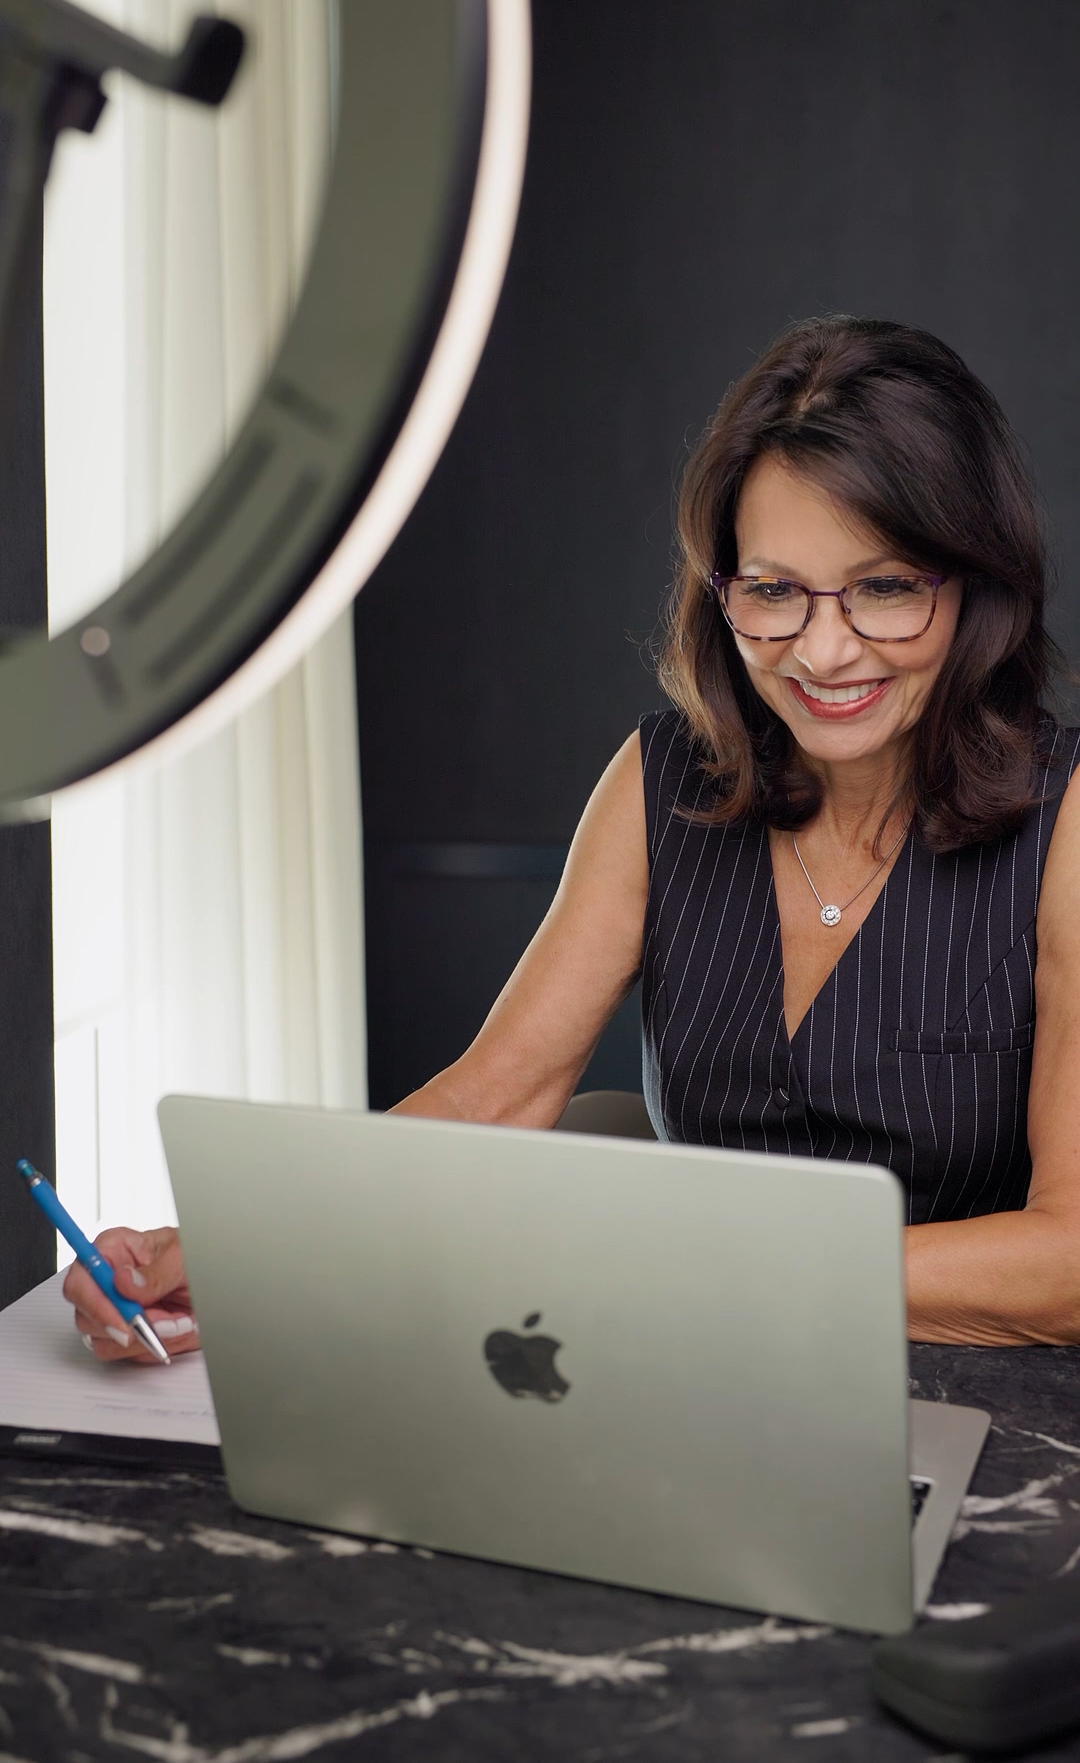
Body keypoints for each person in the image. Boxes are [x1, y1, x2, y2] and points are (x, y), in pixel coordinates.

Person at [65, 315, 1080, 1353]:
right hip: (681, 1377)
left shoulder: (1069, 816)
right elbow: (494, 1099)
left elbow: (1067, 1263)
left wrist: (701, 1258)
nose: (821, 649)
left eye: (883, 588)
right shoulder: (662, 778)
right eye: (772, 591)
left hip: (979, 1411)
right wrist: (240, 1246)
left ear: (975, 585)